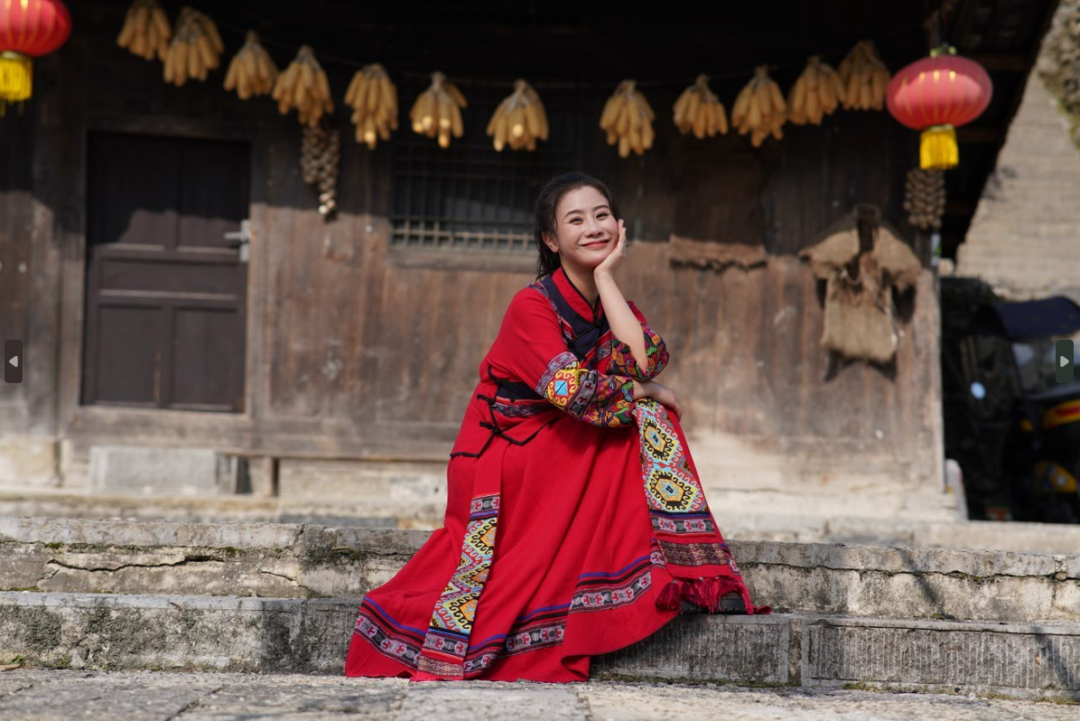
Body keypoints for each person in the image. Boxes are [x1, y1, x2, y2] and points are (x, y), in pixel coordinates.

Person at [345, 171, 766, 684]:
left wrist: (607, 279)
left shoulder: (611, 304)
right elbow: (571, 390)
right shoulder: (532, 305)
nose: (594, 228)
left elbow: (646, 360)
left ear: (619, 226)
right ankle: (671, 571)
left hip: (560, 440)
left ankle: (683, 573)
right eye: (576, 220)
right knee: (646, 413)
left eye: (602, 216)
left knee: (650, 420)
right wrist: (646, 393)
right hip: (505, 456)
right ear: (551, 239)